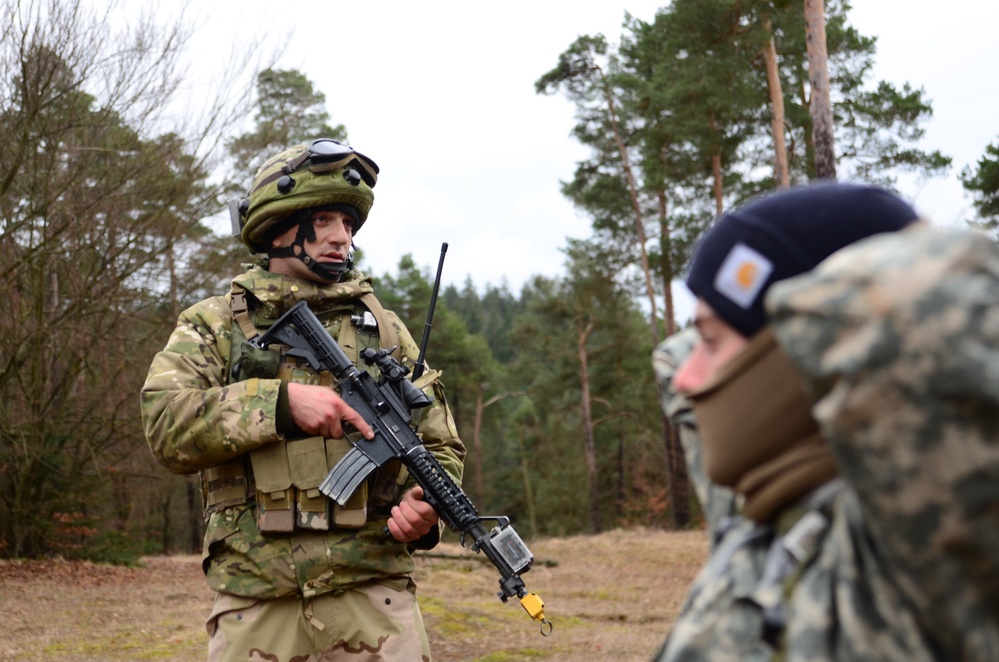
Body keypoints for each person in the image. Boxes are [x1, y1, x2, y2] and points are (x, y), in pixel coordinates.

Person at [140, 138, 465, 662]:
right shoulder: (215, 325)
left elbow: (440, 445)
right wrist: (280, 406)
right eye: (326, 220)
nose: (343, 237)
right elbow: (164, 425)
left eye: (350, 225)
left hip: (372, 596)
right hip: (256, 602)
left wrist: (423, 508)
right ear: (280, 225)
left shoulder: (383, 329)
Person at [651, 182, 999, 660]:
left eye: (710, 342)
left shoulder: (903, 554)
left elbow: (929, 298)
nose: (686, 380)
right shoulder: (764, 517)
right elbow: (671, 361)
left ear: (801, 355)